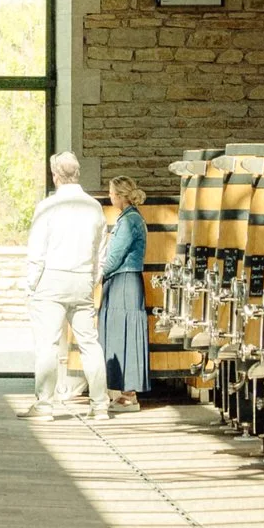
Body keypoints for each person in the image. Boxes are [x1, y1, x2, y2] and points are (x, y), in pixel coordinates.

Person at [23, 150, 110, 419]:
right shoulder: (94, 207)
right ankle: (100, 405)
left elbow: (37, 251)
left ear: (55, 176)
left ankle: (45, 405)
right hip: (82, 279)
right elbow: (101, 251)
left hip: (51, 279)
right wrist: (92, 279)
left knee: (47, 345)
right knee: (90, 344)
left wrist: (31, 285)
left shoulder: (48, 207)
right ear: (78, 173)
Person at [99, 175, 149, 417]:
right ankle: (124, 393)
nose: (109, 197)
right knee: (121, 335)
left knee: (123, 335)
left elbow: (114, 257)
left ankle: (128, 395)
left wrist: (97, 275)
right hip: (126, 280)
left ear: (120, 195)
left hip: (124, 281)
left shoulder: (129, 221)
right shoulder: (131, 217)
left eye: (111, 193)